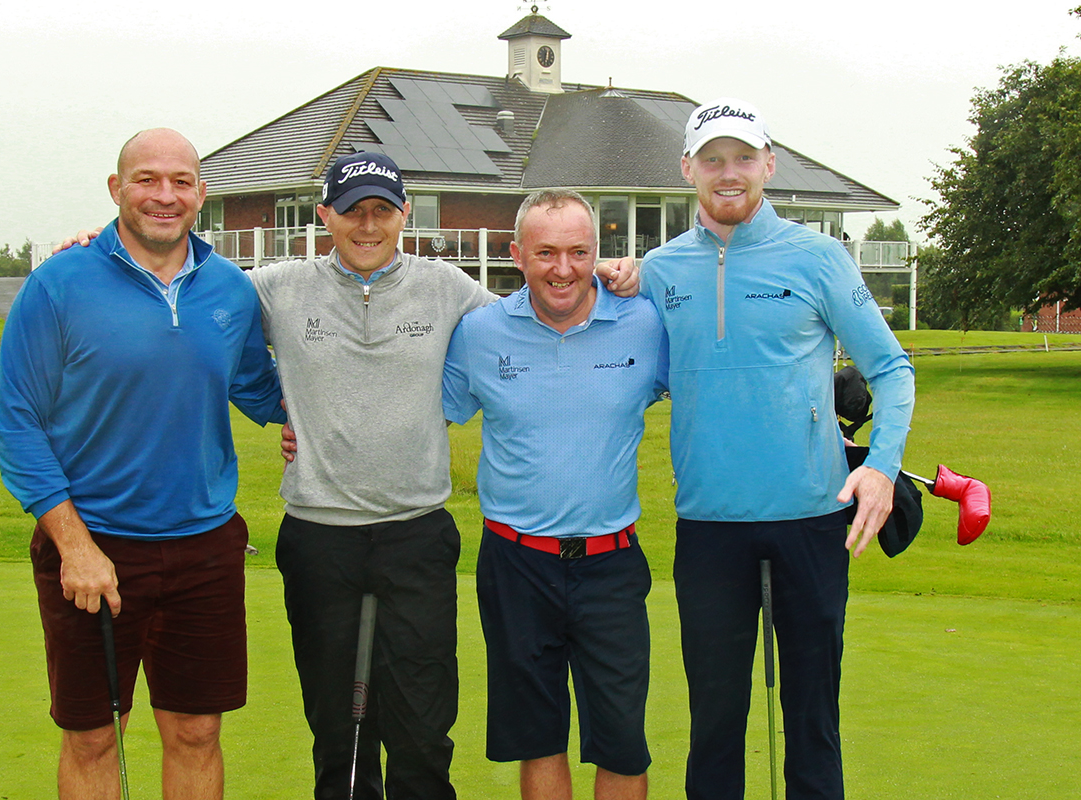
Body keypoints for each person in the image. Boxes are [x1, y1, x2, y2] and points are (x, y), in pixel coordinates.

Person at [249, 155, 640, 800]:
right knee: (337, 731)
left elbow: (533, 309)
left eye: (382, 210)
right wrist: (277, 407)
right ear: (325, 216)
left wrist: (600, 271)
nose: (368, 225)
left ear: (404, 215)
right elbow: (198, 299)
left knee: (423, 728)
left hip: (417, 533)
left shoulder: (448, 288)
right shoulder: (277, 287)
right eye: (352, 211)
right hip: (319, 534)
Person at [0, 128, 285, 800]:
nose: (164, 195)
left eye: (180, 181)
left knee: (197, 732)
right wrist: (75, 547)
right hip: (93, 545)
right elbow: (16, 419)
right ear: (115, 189)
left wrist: (324, 416)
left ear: (201, 193)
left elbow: (258, 389)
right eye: (146, 178)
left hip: (204, 545)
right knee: (94, 737)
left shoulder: (229, 289)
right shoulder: (58, 284)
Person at [640, 99, 915, 800]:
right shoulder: (661, 270)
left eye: (742, 157)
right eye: (712, 159)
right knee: (713, 729)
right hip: (709, 527)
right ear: (687, 170)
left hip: (811, 521)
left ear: (768, 164)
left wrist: (881, 470)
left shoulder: (818, 257)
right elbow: (642, 374)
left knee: (813, 724)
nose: (728, 172)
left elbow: (891, 368)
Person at [441, 190, 667, 800]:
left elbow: (713, 388)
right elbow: (424, 416)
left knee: (622, 742)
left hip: (611, 564)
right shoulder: (479, 333)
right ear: (517, 254)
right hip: (515, 564)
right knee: (538, 740)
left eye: (578, 252)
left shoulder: (646, 323)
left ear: (599, 252)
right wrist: (309, 427)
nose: (563, 269)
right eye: (545, 253)